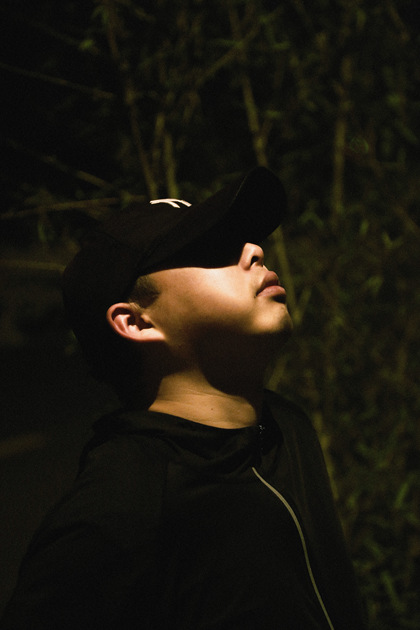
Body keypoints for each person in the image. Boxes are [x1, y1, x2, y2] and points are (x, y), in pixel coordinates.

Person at [0, 167, 366, 629]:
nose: (254, 250)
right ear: (136, 322)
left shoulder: (287, 428)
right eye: (210, 250)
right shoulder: (118, 507)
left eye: (243, 239)